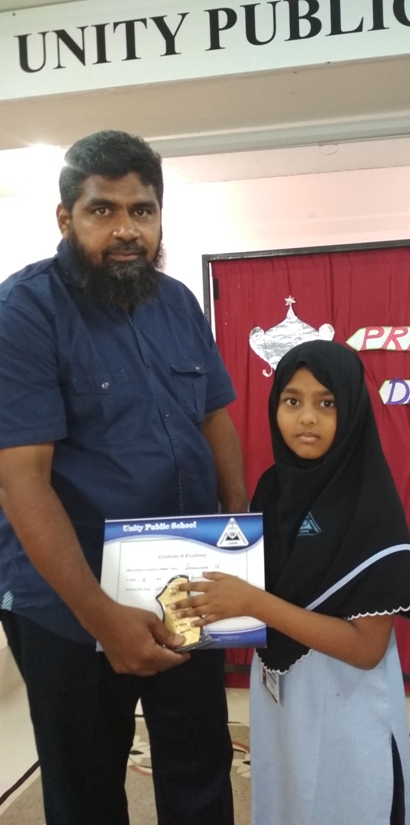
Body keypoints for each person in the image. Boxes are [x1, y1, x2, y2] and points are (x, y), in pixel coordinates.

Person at [0, 130, 248, 825]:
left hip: (183, 579)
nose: (126, 230)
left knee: (200, 765)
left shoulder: (178, 303)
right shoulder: (24, 313)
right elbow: (22, 481)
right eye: (102, 210)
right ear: (65, 218)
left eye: (141, 210)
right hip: (66, 600)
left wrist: (240, 538)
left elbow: (214, 420)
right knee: (86, 789)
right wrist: (101, 617)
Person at [171, 339, 410, 825]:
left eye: (327, 403)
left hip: (350, 701)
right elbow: (243, 588)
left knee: (349, 802)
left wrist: (253, 602)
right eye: (292, 401)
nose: (307, 418)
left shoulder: (371, 506)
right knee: (288, 796)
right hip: (281, 692)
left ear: (352, 409)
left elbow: (365, 649)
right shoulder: (273, 488)